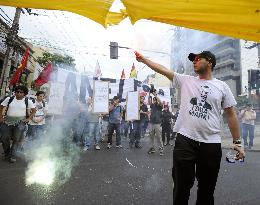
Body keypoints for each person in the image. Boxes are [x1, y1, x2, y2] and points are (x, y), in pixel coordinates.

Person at [135, 50, 245, 204]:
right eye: (193, 60)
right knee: (181, 188)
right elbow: (163, 69)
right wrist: (144, 60)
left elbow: (231, 114)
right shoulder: (185, 80)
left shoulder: (222, 86)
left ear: (210, 62)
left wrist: (238, 143)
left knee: (207, 191)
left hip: (211, 144)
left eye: (198, 59)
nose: (194, 62)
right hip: (185, 140)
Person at [0, 85, 36, 163]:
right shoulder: (9, 99)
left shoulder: (27, 101)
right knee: (4, 138)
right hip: (7, 122)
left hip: (20, 123)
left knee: (16, 139)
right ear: (15, 92)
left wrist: (28, 118)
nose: (19, 93)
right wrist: (1, 117)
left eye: (21, 92)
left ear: (24, 93)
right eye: (17, 92)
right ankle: (7, 153)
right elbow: (1, 107)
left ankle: (12, 155)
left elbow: (34, 110)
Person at [147, 91, 163, 156]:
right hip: (151, 123)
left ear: (157, 100)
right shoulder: (152, 105)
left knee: (159, 137)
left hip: (157, 123)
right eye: (153, 100)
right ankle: (152, 148)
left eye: (155, 100)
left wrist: (155, 95)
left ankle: (161, 149)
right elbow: (149, 102)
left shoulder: (159, 106)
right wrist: (149, 94)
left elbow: (161, 102)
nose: (154, 101)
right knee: (151, 136)